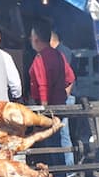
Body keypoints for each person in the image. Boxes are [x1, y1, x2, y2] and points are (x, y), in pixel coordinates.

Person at [27, 22, 74, 166]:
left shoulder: (40, 58)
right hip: (61, 105)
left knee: (51, 142)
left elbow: (42, 86)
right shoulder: (59, 55)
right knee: (61, 139)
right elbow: (70, 78)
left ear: (36, 39)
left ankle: (57, 174)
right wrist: (63, 96)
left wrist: (45, 109)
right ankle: (66, 172)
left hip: (48, 108)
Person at [50, 31, 77, 166]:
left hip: (64, 98)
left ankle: (68, 167)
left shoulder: (62, 53)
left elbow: (68, 78)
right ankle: (60, 167)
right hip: (58, 98)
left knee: (63, 133)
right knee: (56, 132)